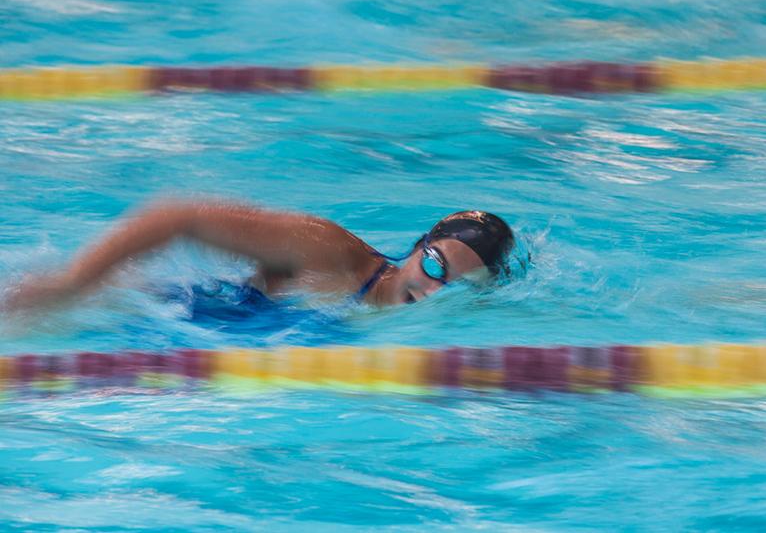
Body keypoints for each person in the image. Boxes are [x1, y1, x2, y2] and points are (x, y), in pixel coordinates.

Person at [2, 199, 515, 312]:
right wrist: (75, 282)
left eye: (456, 286)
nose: (432, 289)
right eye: (433, 265)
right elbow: (178, 216)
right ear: (415, 249)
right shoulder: (329, 253)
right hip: (138, 320)